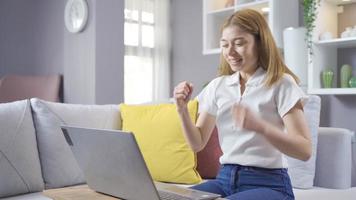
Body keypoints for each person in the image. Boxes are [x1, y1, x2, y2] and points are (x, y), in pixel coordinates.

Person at [173, 9, 311, 200]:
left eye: (239, 43)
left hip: (270, 184)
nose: (230, 52)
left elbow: (304, 151)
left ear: (260, 43)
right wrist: (181, 109)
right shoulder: (218, 86)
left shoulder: (281, 83)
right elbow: (197, 143)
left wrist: (261, 127)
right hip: (224, 179)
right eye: (224, 45)